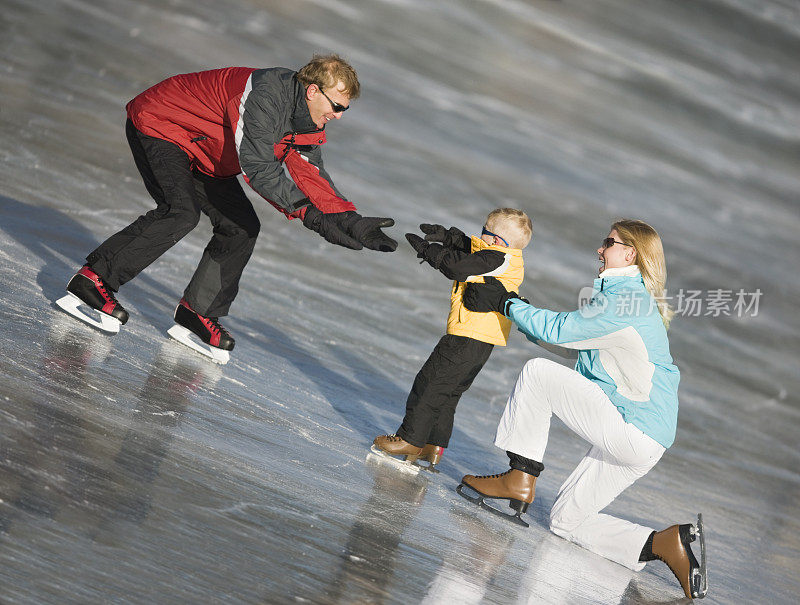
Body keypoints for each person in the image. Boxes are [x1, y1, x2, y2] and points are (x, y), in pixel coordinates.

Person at [56, 54, 397, 361]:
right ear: (312, 91)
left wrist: (348, 219)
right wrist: (310, 216)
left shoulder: (307, 121)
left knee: (242, 226)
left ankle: (198, 312)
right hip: (164, 127)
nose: (338, 116)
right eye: (338, 106)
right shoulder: (264, 96)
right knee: (181, 212)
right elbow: (259, 168)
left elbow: (310, 170)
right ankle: (92, 280)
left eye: (345, 109)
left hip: (207, 154)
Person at [457, 219, 707, 599]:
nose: (599, 249)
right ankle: (662, 544)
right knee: (565, 522)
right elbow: (577, 347)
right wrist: (516, 308)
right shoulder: (628, 299)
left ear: (630, 253)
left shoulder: (627, 301)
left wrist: (505, 302)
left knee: (537, 374)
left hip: (632, 429)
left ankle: (519, 476)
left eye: (608, 242)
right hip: (643, 441)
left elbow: (559, 330)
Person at [371, 209, 532, 471]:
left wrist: (429, 251)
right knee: (446, 395)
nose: (480, 234)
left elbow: (457, 267)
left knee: (429, 384)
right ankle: (433, 446)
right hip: (481, 341)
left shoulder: (494, 258)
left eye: (484, 231)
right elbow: (475, 250)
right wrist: (450, 237)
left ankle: (409, 439)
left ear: (496, 240)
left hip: (466, 337)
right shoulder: (505, 256)